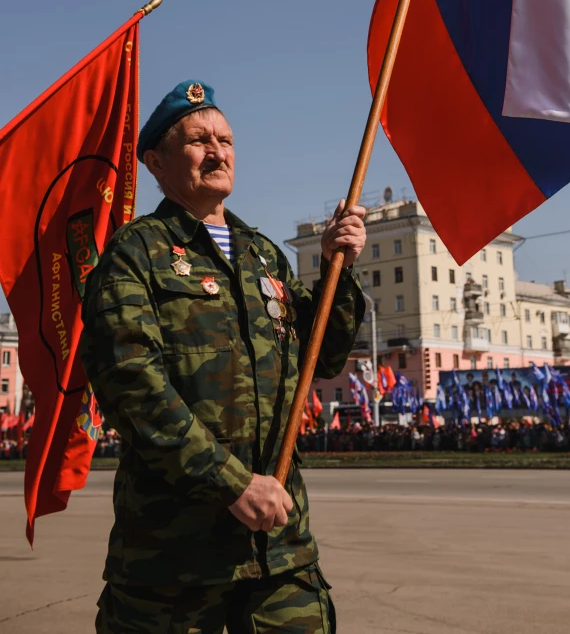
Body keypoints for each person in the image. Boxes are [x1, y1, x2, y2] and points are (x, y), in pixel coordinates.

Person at [79, 79, 366, 634]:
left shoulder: (264, 256)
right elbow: (131, 387)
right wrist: (232, 483)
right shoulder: (135, 253)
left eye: (226, 139)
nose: (218, 152)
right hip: (176, 565)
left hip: (281, 555)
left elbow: (323, 357)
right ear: (156, 161)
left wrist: (339, 267)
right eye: (198, 141)